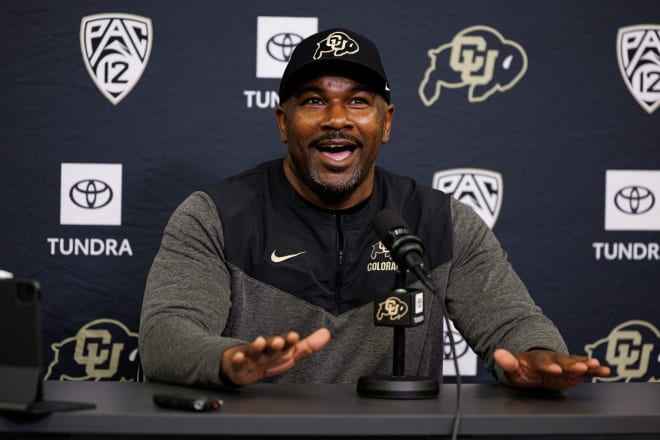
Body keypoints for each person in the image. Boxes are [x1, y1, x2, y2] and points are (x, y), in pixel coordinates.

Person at [139, 28, 610, 390]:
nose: (337, 119)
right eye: (314, 101)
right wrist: (227, 360)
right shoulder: (215, 216)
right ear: (284, 122)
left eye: (359, 102)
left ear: (386, 122)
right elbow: (165, 335)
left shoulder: (440, 221)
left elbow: (511, 323)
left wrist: (536, 355)